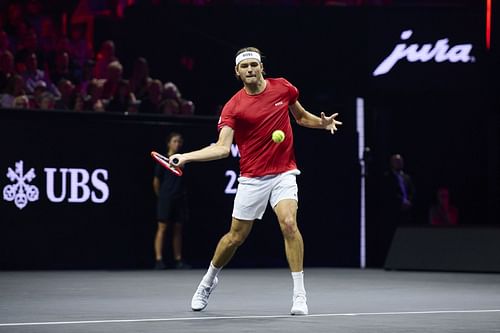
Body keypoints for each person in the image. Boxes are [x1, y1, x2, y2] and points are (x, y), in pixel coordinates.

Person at [169, 47, 342, 315]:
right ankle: (208, 281)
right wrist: (186, 157)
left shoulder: (283, 88)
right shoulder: (233, 106)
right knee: (235, 237)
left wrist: (322, 123)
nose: (250, 69)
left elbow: (301, 117)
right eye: (244, 66)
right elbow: (222, 148)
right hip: (252, 179)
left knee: (288, 223)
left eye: (254, 64)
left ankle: (299, 295)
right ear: (237, 73)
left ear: (262, 67)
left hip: (284, 172)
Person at [153, 132, 191, 270]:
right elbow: (156, 182)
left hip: (180, 199)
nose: (177, 144)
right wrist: (162, 196)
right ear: (169, 143)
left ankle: (178, 259)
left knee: (178, 229)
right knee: (162, 228)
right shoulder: (163, 161)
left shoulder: (183, 161)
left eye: (179, 141)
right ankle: (158, 260)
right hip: (166, 199)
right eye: (174, 141)